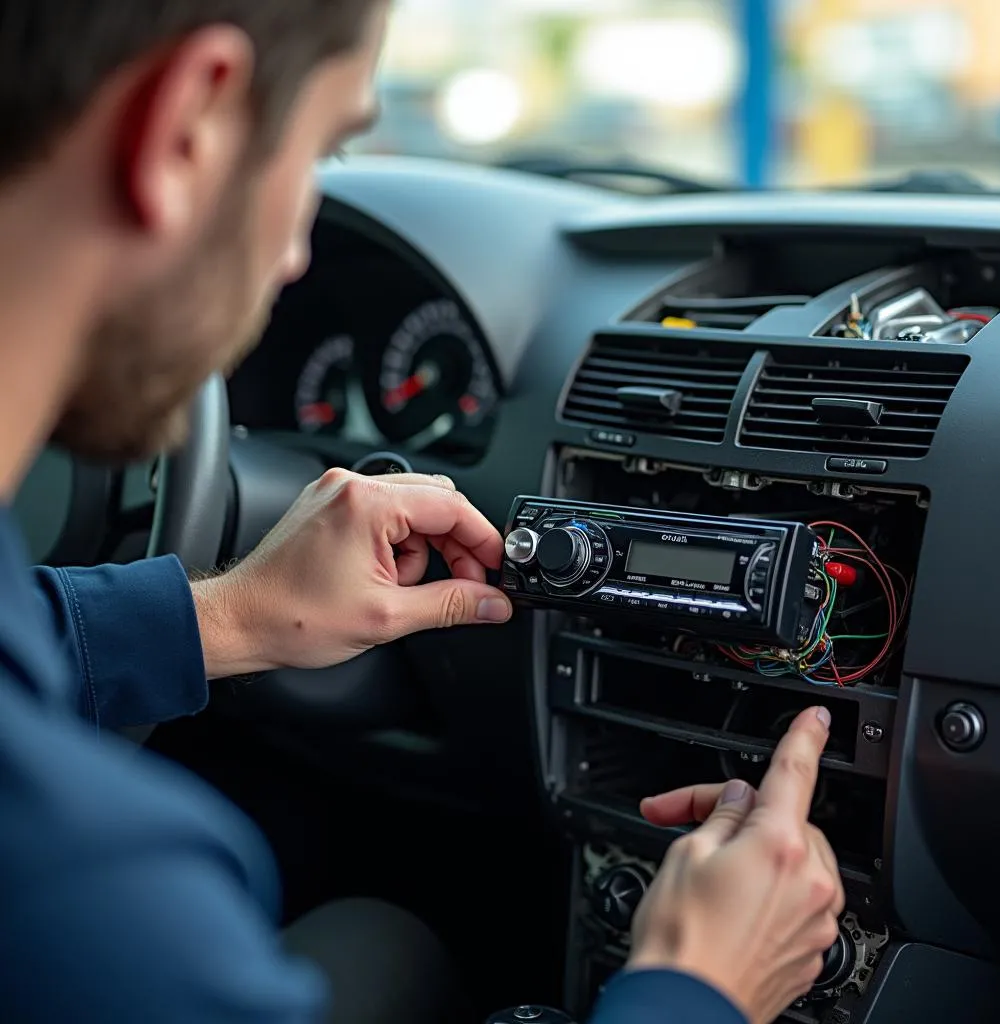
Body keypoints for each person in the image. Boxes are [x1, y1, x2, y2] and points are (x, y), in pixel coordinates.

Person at [0, 1, 842, 1022]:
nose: (298, 251)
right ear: (189, 124)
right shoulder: (101, 897)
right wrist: (700, 984)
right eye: (322, 149)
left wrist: (222, 615)